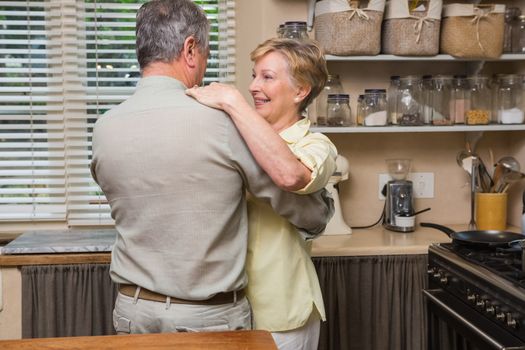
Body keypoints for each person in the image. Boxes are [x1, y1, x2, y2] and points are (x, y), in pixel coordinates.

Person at [89, 0, 334, 335]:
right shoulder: (220, 123)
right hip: (204, 319)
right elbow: (290, 196)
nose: (204, 65)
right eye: (204, 54)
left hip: (133, 311)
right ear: (190, 49)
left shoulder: (104, 128)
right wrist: (321, 212)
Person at [186, 38, 337, 350]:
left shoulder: (316, 145)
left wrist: (231, 99)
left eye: (267, 77)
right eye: (254, 76)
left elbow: (290, 175)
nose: (254, 86)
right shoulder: (235, 135)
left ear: (300, 91)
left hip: (281, 312)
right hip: (226, 310)